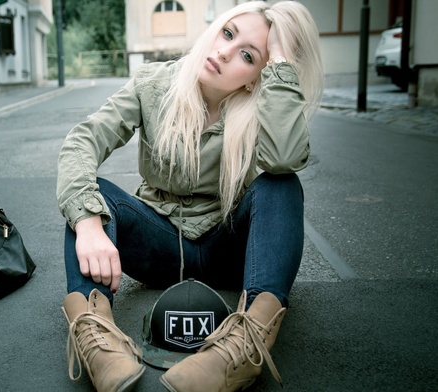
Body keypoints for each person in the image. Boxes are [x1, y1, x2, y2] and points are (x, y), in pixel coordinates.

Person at [56, 1, 324, 391]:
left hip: (228, 247)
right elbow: (84, 140)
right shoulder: (154, 84)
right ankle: (98, 344)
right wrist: (88, 224)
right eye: (228, 34)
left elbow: (284, 158)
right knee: (89, 198)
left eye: (248, 55)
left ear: (256, 76)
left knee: (280, 183)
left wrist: (280, 62)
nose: (224, 52)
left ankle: (242, 347)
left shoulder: (265, 104)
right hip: (157, 247)